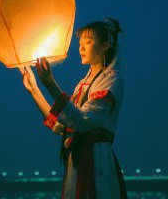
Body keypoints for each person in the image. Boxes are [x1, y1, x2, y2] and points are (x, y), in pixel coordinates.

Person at [20, 18, 127, 198]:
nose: (81, 47)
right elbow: (60, 125)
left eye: (88, 42)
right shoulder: (82, 85)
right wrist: (34, 89)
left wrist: (50, 83)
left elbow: (83, 120)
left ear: (105, 45)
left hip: (97, 160)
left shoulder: (112, 79)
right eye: (80, 43)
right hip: (77, 162)